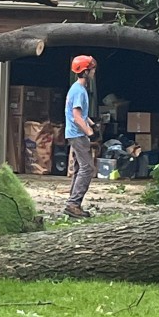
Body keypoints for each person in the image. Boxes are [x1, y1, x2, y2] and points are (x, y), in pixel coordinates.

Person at [64, 54, 97, 219]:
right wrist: (89, 132)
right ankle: (73, 204)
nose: (94, 72)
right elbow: (76, 117)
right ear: (85, 72)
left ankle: (72, 204)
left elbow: (81, 114)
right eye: (92, 69)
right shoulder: (79, 91)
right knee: (87, 169)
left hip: (75, 134)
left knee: (79, 169)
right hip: (78, 135)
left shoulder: (78, 89)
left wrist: (90, 122)